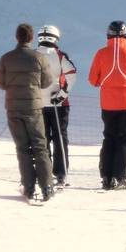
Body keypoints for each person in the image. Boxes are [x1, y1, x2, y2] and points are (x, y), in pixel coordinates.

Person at [0, 23, 55, 202]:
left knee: (22, 147)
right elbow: (47, 81)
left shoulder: (6, 58)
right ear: (31, 38)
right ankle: (47, 186)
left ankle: (28, 187)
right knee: (40, 146)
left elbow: (1, 83)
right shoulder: (39, 58)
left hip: (13, 107)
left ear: (17, 37)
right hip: (33, 107)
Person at [88, 21, 126, 190]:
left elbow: (93, 79)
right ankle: (119, 177)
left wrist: (105, 83)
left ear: (108, 35)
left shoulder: (101, 53)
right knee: (124, 139)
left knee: (109, 138)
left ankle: (106, 177)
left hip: (107, 103)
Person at [36, 24, 77, 186]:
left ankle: (43, 172)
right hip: (58, 105)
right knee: (60, 138)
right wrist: (61, 96)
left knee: (42, 139)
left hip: (38, 104)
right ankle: (61, 173)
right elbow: (72, 75)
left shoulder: (32, 55)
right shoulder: (59, 55)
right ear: (56, 38)